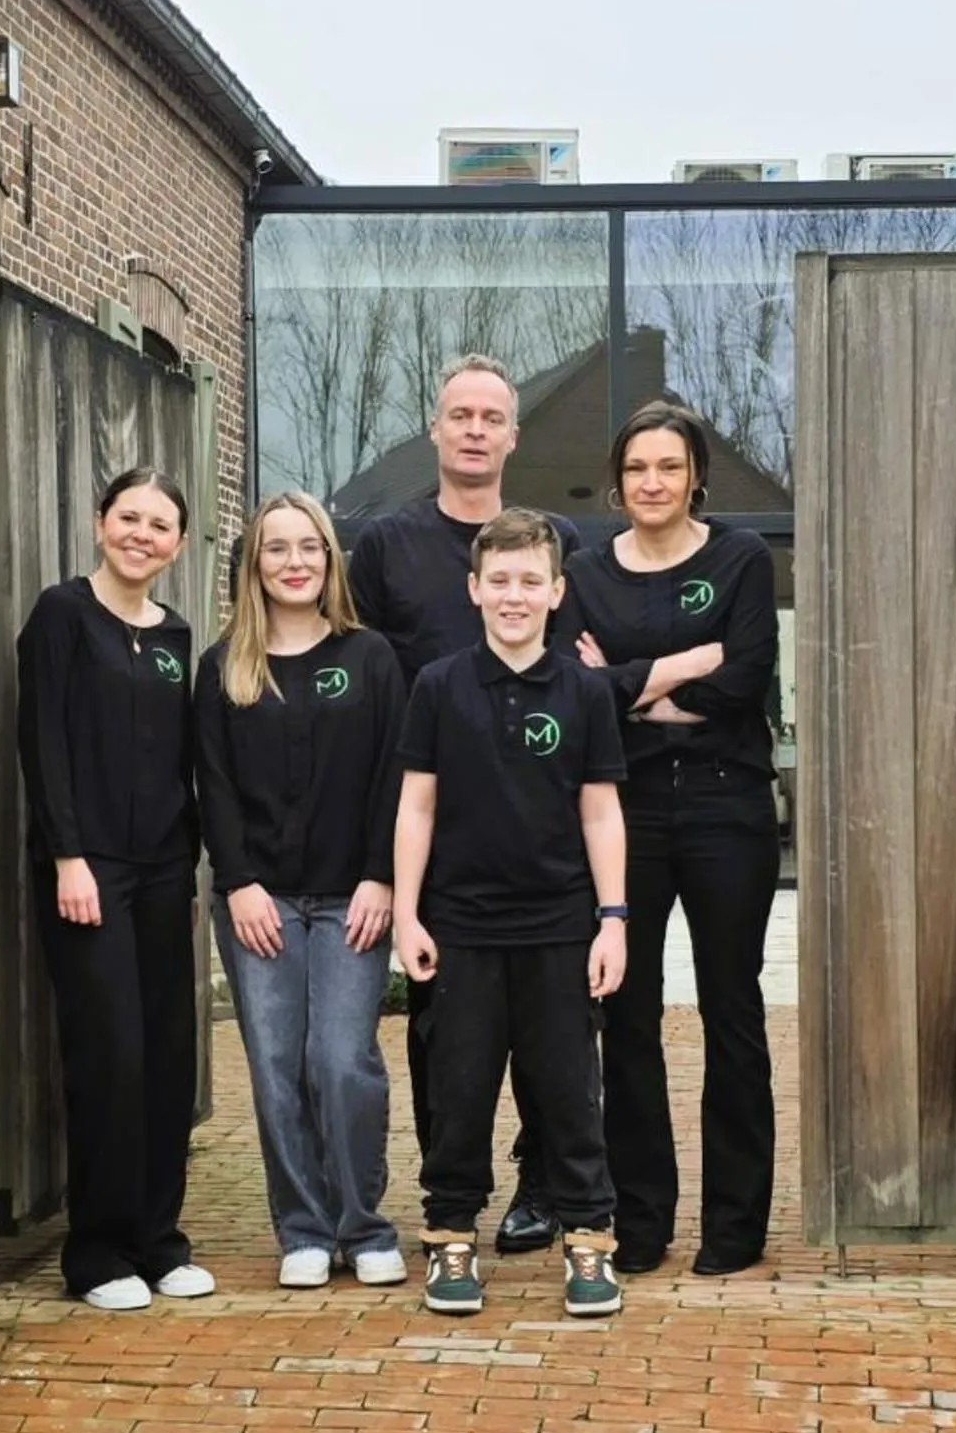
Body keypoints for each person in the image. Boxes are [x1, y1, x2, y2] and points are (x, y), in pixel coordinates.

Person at [349, 354, 581, 1255]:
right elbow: (364, 683)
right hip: (434, 825)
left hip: (540, 829)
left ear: (513, 436)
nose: (476, 429)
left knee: (548, 1033)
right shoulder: (386, 546)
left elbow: (589, 667)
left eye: (492, 416)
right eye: (461, 414)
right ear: (436, 430)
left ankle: (542, 1186)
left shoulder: (557, 540)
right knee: (447, 1029)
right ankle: (454, 1193)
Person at [394, 509, 629, 1319]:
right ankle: (451, 1236)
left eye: (531, 580)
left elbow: (601, 813)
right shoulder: (437, 686)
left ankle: (590, 1244)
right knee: (457, 1092)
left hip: (561, 928)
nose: (515, 595)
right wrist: (407, 916)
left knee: (569, 1091)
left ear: (557, 591)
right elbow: (416, 808)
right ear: (473, 588)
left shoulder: (586, 690)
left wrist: (614, 919)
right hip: (460, 929)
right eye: (500, 580)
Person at [567, 401, 781, 1276]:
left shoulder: (741, 558)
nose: (652, 482)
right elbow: (578, 696)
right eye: (636, 468)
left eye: (668, 466)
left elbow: (746, 679)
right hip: (630, 810)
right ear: (617, 483)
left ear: (696, 475)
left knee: (733, 1010)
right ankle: (642, 1219)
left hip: (728, 806)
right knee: (628, 1016)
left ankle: (736, 1226)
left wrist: (631, 689)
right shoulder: (584, 573)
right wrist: (691, 663)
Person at [193, 491, 408, 1290]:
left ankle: (366, 1224)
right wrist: (239, 882)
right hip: (262, 902)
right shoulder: (226, 668)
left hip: (354, 895)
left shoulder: (371, 658)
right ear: (252, 565)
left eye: (309, 546)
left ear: (329, 560)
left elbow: (395, 776)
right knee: (277, 1063)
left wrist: (382, 875)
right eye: (276, 548)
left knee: (341, 1058)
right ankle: (306, 1229)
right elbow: (212, 785)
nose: (295, 562)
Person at [16, 468, 214, 1311]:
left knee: (169, 1054)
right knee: (110, 1056)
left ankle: (159, 1242)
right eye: (128, 517)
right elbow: (44, 743)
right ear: (100, 523)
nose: (142, 534)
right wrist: (69, 857)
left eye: (160, 524)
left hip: (167, 871)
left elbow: (183, 759)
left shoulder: (175, 636)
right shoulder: (63, 616)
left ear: (176, 543)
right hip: (87, 872)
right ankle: (97, 1254)